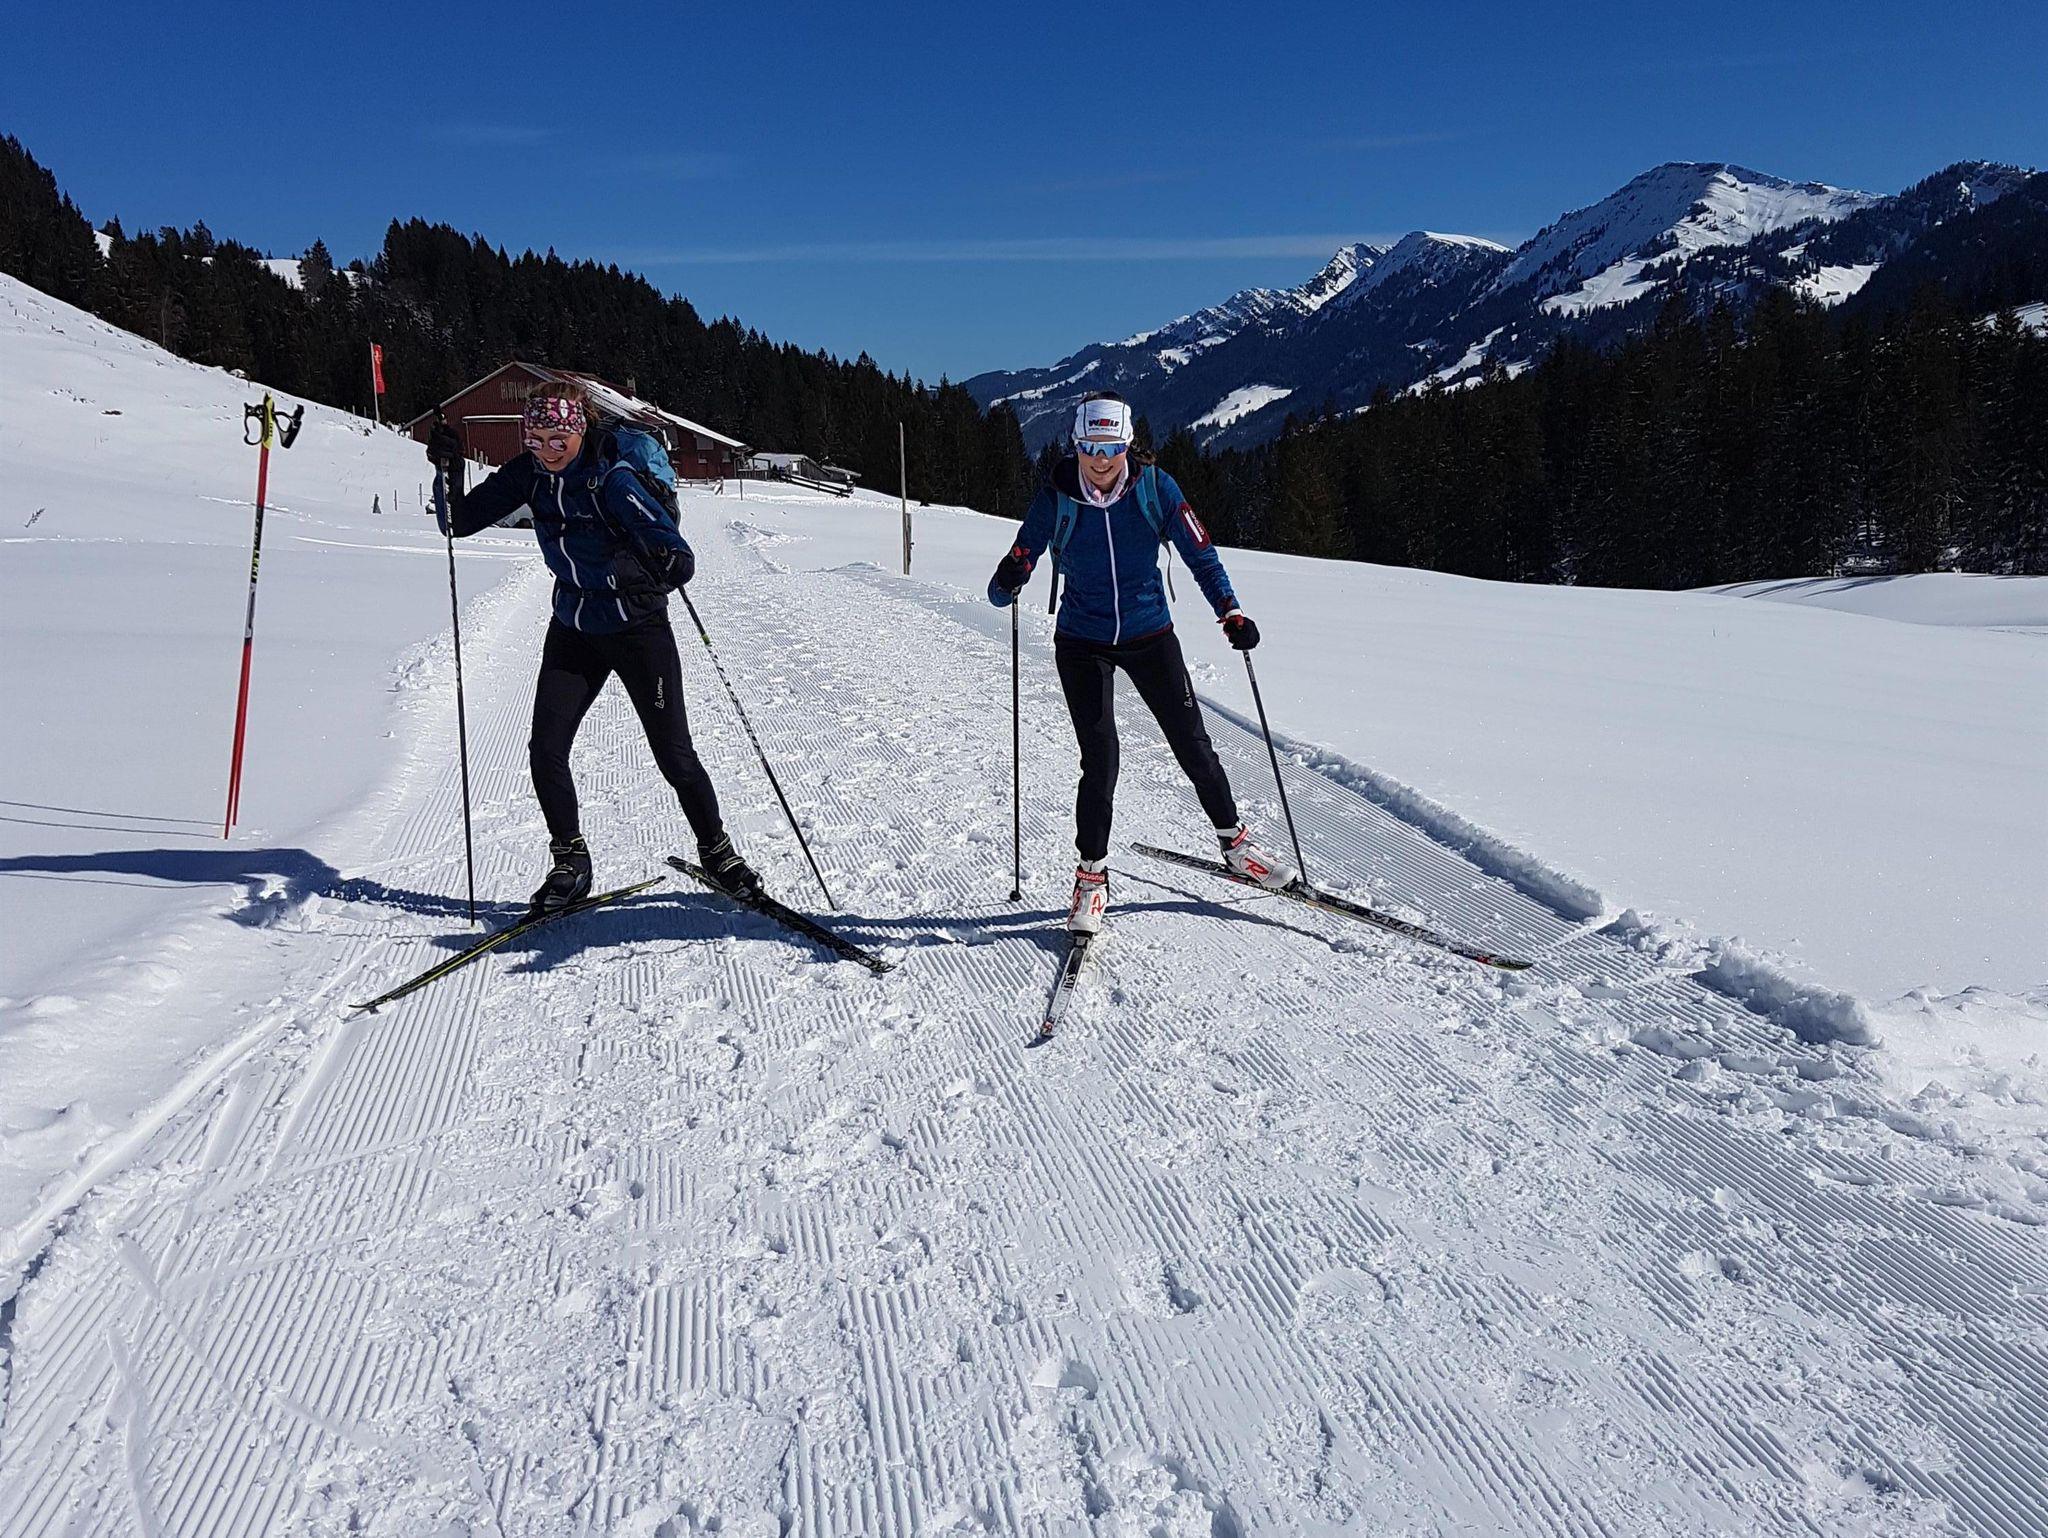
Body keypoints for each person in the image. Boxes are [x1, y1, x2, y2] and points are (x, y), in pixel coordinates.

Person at [426, 382, 761, 914]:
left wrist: (668, 559)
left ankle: (718, 853)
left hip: (637, 629)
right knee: (546, 748)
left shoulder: (613, 476)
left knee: (674, 754)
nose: (547, 450)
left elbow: (676, 551)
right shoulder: (529, 473)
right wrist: (449, 469)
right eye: (535, 439)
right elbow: (458, 523)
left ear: (579, 430)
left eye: (557, 439)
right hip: (575, 627)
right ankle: (570, 862)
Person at [989, 392, 1296, 933]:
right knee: (1101, 759)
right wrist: (1008, 577)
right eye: (1090, 447)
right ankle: (1091, 879)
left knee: (1193, 743)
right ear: (1076, 445)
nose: (1100, 460)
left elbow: (1202, 555)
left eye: (1110, 448)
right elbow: (1010, 575)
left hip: (1150, 633)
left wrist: (1231, 612)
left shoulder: (1156, 488)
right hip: (1082, 641)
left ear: (1127, 446)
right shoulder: (1056, 497)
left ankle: (1235, 846)